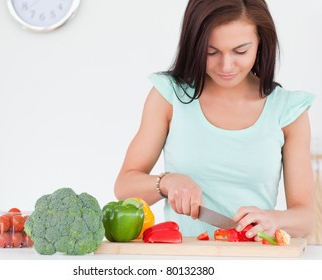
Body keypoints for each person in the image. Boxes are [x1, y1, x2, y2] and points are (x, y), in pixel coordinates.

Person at [114, 0, 315, 239]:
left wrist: (275, 219)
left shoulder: (288, 110)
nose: (226, 66)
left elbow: (306, 218)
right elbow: (124, 187)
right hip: (185, 263)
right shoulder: (170, 96)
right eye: (211, 52)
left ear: (261, 42)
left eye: (241, 51)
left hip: (254, 263)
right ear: (194, 45)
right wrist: (166, 182)